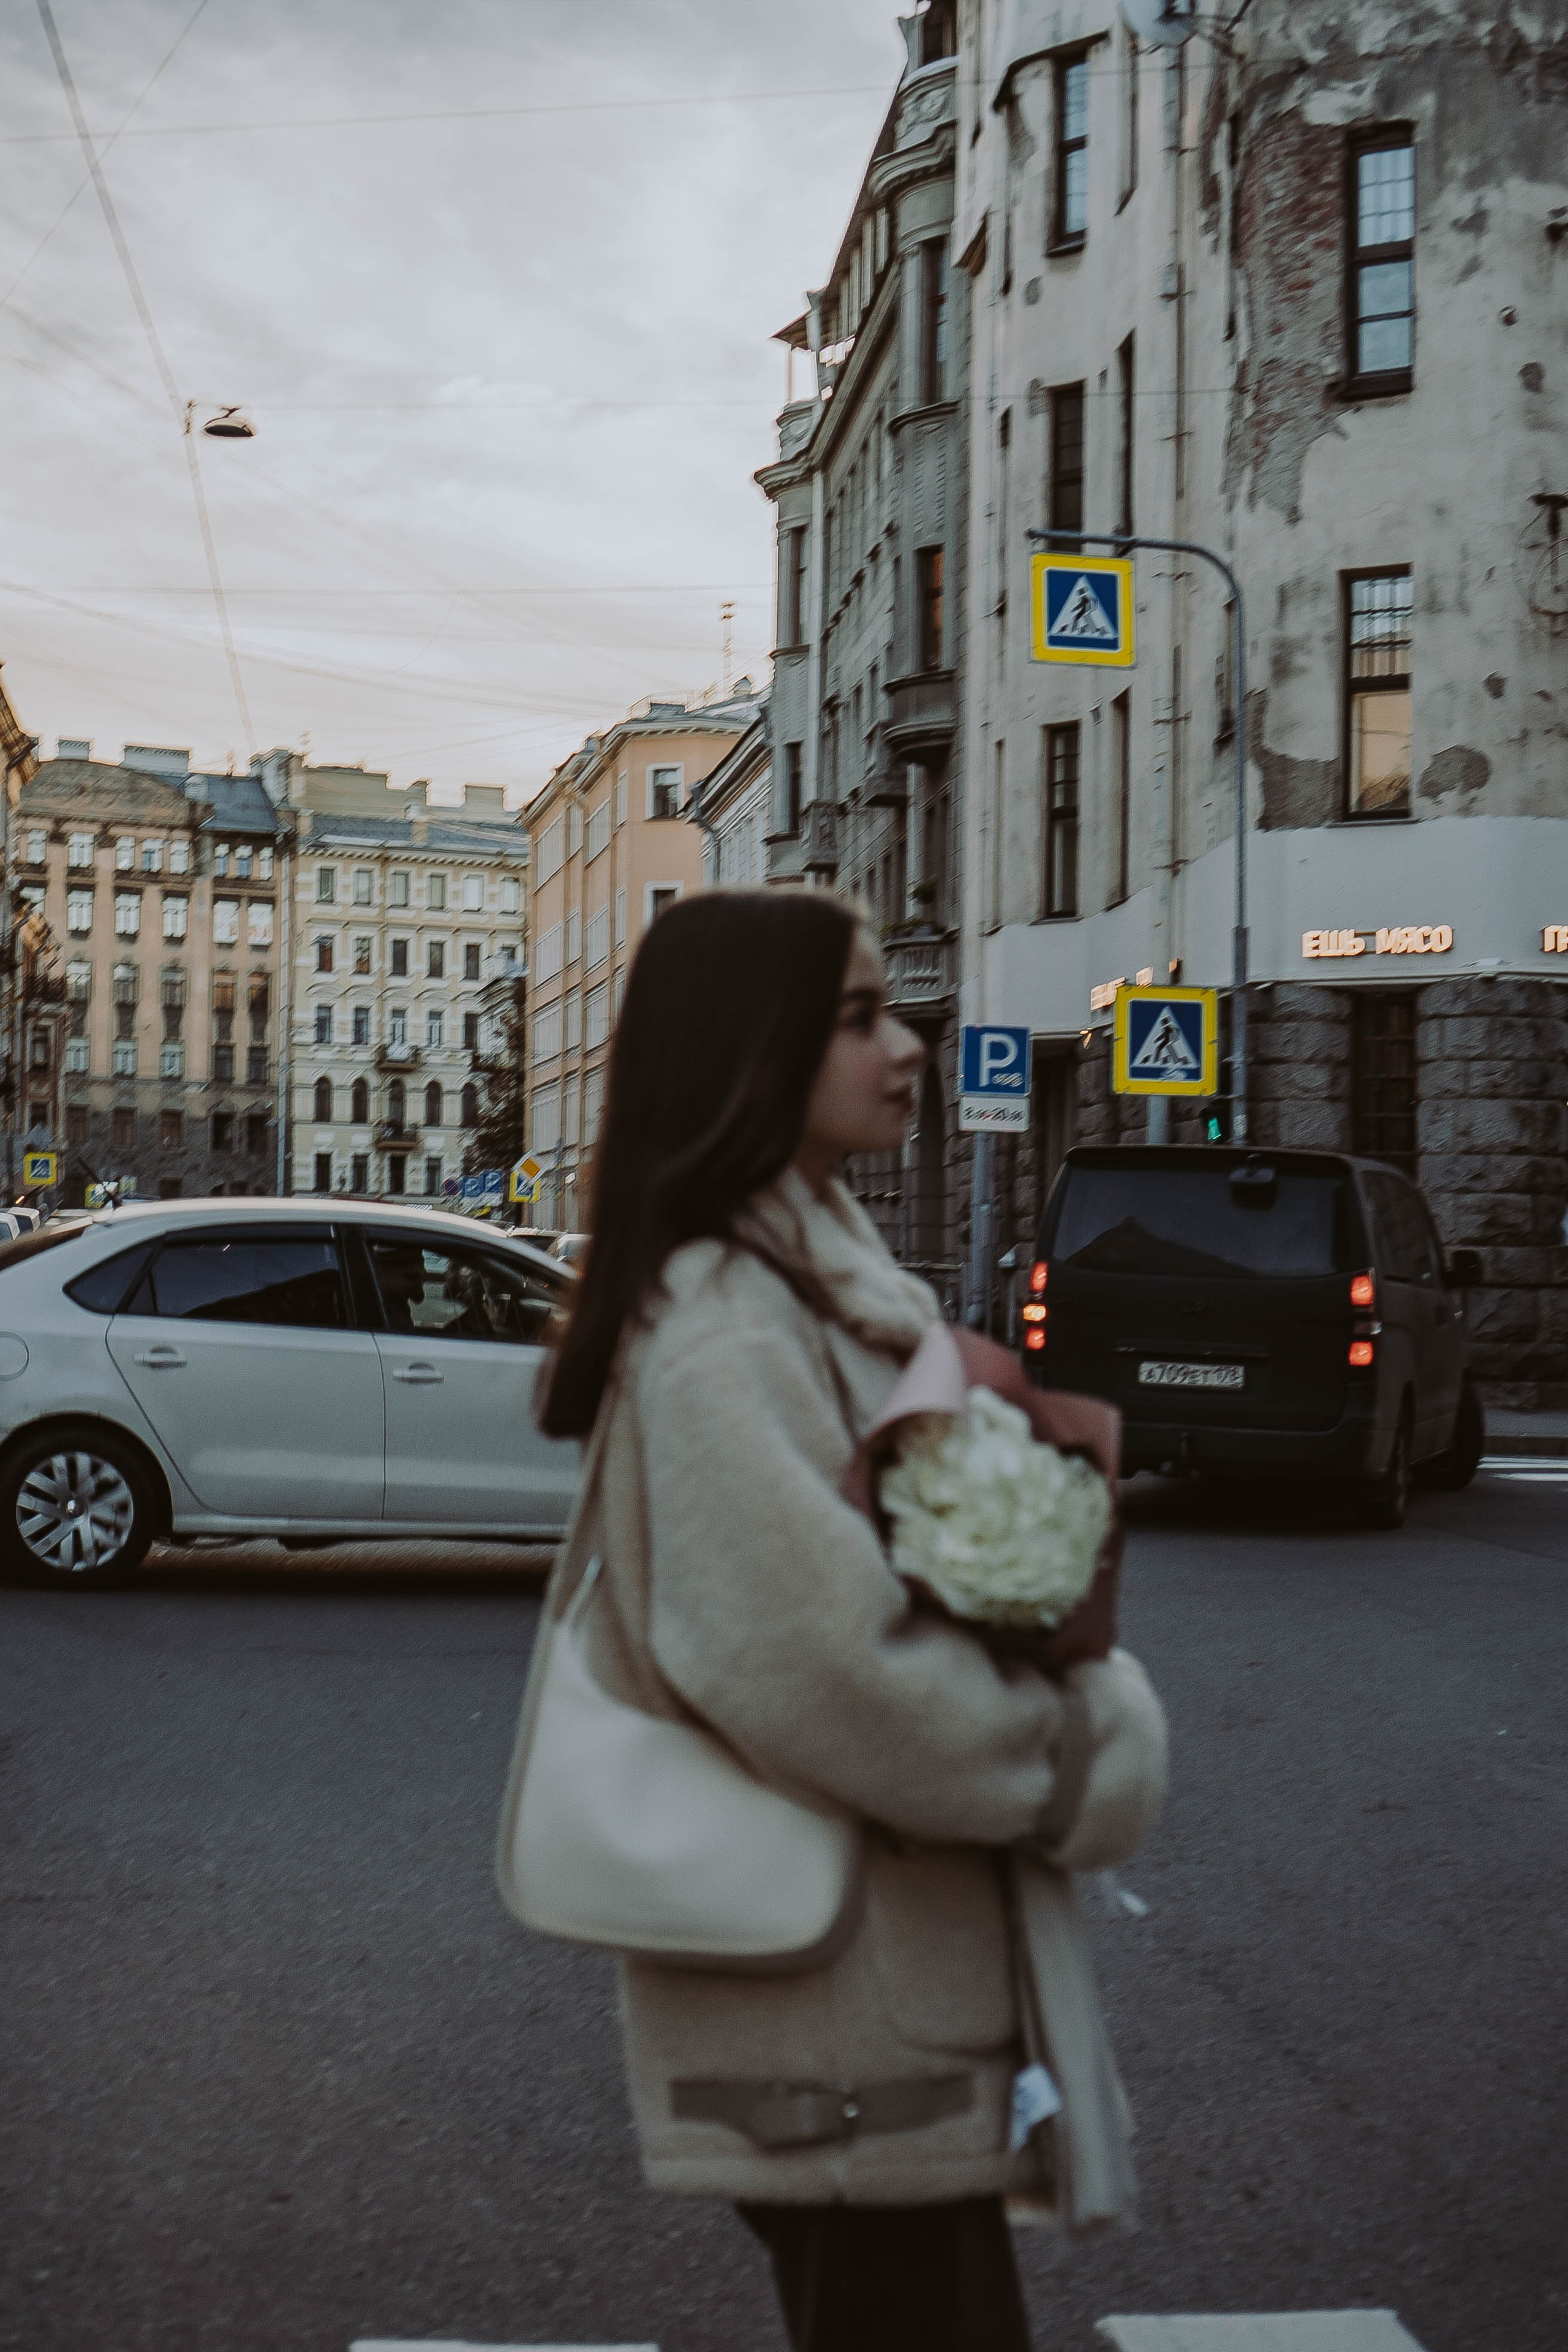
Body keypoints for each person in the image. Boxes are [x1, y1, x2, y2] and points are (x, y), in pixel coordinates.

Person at [535, 890, 1166, 2352]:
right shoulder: (724, 1327)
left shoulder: (802, 1286)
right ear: (752, 1051)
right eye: (858, 1018)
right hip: (835, 2005)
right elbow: (813, 1667)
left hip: (869, 1985)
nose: (907, 1048)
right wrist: (1078, 1747)